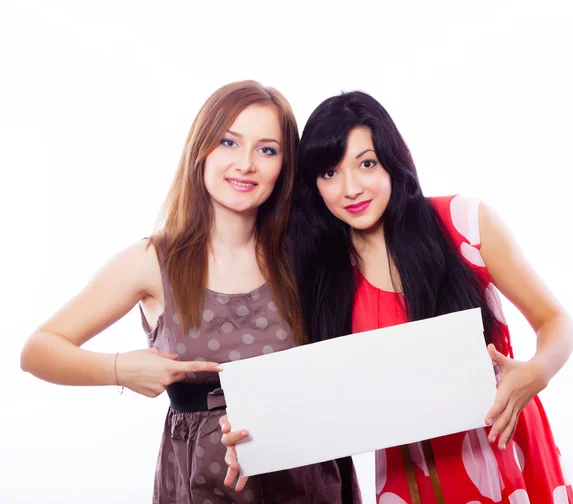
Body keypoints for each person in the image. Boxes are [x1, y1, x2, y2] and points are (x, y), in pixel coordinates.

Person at [221, 91, 573, 503]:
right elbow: (310, 393)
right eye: (330, 173)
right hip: (409, 477)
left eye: (366, 164)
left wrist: (537, 372)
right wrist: (252, 432)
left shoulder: (463, 222)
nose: (350, 188)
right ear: (313, 186)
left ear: (392, 161)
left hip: (505, 448)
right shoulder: (323, 275)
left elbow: (555, 321)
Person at [20, 81, 361, 504]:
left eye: (267, 150)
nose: (246, 163)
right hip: (202, 486)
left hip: (305, 482)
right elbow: (38, 350)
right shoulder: (152, 260)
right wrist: (120, 369)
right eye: (229, 142)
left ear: (285, 167)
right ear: (201, 149)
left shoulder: (304, 256)